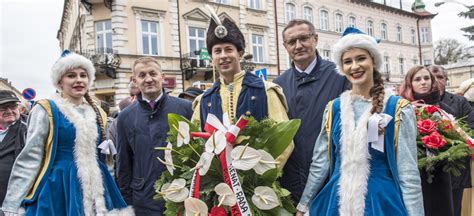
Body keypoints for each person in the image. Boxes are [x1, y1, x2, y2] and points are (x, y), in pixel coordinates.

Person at [297, 27, 423, 216]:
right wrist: (303, 205)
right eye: (348, 61)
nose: (354, 66)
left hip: (380, 204)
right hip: (334, 203)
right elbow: (320, 162)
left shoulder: (398, 109)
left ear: (373, 60)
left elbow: (408, 173)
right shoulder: (334, 108)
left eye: (361, 58)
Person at [1, 50, 133, 215]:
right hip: (59, 186)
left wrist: (111, 185)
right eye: (71, 75)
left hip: (99, 187)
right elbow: (30, 158)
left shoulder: (98, 112)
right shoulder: (47, 109)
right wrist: (12, 204)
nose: (78, 80)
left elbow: (105, 158)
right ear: (60, 81)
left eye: (83, 75)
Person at [191, 8, 292, 166]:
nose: (223, 55)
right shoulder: (204, 100)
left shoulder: (265, 90)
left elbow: (285, 140)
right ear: (212, 58)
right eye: (217, 51)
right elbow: (195, 145)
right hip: (219, 187)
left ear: (240, 53)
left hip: (258, 185)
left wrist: (264, 177)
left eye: (229, 49)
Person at [273, 19, 350, 202]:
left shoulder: (339, 76)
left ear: (315, 39)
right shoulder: (279, 85)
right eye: (292, 42)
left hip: (331, 180)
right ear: (285, 47)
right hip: (292, 183)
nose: (298, 46)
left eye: (303, 38)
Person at [116, 57, 192, 215]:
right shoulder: (125, 117)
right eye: (142, 75)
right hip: (144, 200)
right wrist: (128, 203)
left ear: (162, 77)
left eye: (153, 73)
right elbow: (124, 164)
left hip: (182, 195)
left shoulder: (185, 108)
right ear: (135, 81)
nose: (148, 79)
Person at [428, 65, 474, 216]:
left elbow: (471, 130)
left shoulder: (460, 102)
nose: (435, 81)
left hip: (455, 173)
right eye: (431, 76)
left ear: (446, 81)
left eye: (440, 77)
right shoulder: (415, 103)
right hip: (427, 174)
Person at [0, 91, 27, 205]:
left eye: (13, 106)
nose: (9, 111)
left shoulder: (28, 129)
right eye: (3, 107)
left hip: (14, 199)